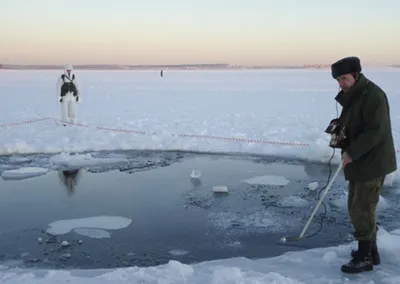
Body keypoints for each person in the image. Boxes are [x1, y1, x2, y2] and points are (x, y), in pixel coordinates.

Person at [328, 56, 397, 273]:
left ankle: (365, 257)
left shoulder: (373, 96)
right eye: (338, 80)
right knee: (359, 206)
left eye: (344, 78)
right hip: (360, 160)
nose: (341, 83)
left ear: (356, 75)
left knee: (361, 209)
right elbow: (355, 123)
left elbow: (375, 131)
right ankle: (370, 251)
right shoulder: (355, 94)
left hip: (371, 161)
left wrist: (352, 152)